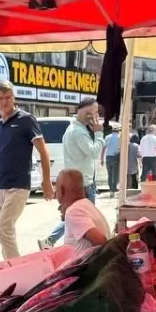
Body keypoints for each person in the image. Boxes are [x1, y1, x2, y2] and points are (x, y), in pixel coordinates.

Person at [0, 79, 54, 259]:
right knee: (7, 233)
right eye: (0, 98)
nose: (4, 102)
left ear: (14, 98)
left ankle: (17, 269)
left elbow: (43, 152)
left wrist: (46, 182)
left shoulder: (26, 120)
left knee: (2, 229)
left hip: (18, 186)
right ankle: (10, 268)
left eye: (8, 97)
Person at [46, 98, 103, 246]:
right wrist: (98, 134)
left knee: (76, 218)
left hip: (80, 182)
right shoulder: (78, 132)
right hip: (83, 184)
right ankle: (52, 240)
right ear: (87, 113)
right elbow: (94, 152)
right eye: (95, 112)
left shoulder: (74, 129)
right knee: (85, 220)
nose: (96, 116)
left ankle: (50, 239)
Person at [56, 169, 110, 252]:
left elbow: (100, 240)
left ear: (61, 190)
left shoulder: (74, 212)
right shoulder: (86, 205)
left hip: (85, 263)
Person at [103, 126, 121, 196]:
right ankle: (114, 188)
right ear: (118, 131)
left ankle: (111, 189)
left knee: (109, 174)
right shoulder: (119, 137)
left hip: (108, 157)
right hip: (115, 157)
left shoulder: (107, 137)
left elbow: (104, 148)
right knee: (115, 174)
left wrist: (102, 159)